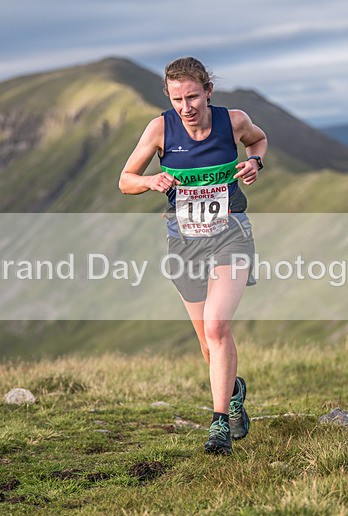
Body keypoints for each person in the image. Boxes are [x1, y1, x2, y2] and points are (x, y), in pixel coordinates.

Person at [119, 57, 267, 455]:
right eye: (178, 98)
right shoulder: (159, 129)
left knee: (218, 328)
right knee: (207, 344)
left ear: (208, 92)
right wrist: (150, 180)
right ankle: (233, 390)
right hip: (183, 241)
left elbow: (258, 139)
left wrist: (254, 161)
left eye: (194, 97)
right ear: (168, 96)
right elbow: (125, 180)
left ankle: (219, 424)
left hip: (231, 233)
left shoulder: (232, 121)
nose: (187, 107)